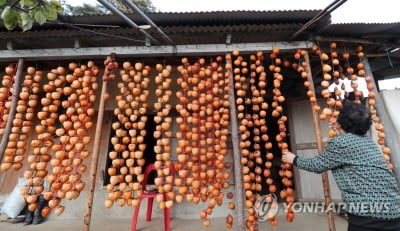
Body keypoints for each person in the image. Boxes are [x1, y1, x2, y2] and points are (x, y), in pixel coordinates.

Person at [282, 100, 400, 231]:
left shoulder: (341, 143)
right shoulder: (367, 140)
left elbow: (316, 165)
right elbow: (348, 150)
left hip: (369, 215)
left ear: (341, 122)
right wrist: (341, 132)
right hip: (394, 210)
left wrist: (294, 159)